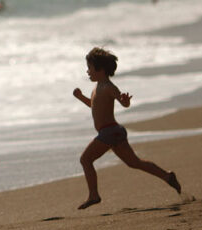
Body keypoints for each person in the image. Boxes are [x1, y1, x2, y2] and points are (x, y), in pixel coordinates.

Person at [72, 47, 181, 210]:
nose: (87, 71)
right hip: (114, 132)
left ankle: (94, 195)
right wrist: (81, 98)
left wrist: (126, 102)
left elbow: (123, 102)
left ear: (99, 69)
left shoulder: (108, 86)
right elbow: (95, 106)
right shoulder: (97, 88)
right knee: (134, 162)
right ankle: (167, 176)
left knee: (85, 159)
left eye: (89, 67)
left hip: (109, 131)